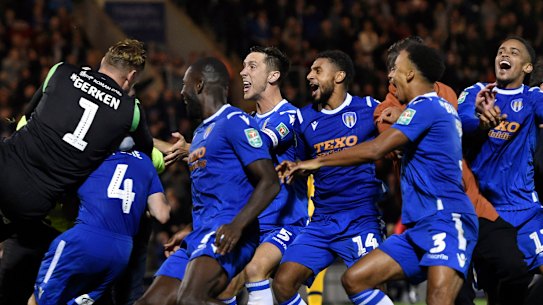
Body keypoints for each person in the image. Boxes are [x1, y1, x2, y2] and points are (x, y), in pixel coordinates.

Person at [279, 44, 478, 305]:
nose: (390, 75)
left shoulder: (429, 106)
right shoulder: (422, 109)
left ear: (410, 74)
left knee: (438, 300)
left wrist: (316, 163)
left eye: (396, 68)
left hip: (445, 219)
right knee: (355, 279)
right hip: (418, 227)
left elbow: (376, 149)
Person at [377, 36, 532, 305]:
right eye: (393, 66)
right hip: (435, 218)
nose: (394, 73)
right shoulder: (386, 110)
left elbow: (463, 124)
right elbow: (397, 144)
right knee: (456, 299)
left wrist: (481, 121)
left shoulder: (446, 91)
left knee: (514, 269)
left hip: (474, 204)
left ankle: (486, 277)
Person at [134, 57, 280, 305]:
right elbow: (216, 192)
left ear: (199, 84)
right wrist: (190, 230)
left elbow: (270, 181)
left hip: (227, 232)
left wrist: (237, 225)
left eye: (185, 84)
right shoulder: (202, 132)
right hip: (200, 234)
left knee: (191, 300)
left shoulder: (235, 121)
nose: (181, 91)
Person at [272, 50, 386, 305]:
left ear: (339, 76)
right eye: (310, 71)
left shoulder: (369, 108)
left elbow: (395, 139)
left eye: (317, 70)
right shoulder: (303, 118)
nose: (309, 76)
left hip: (361, 217)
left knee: (373, 282)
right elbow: (302, 164)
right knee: (283, 283)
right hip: (322, 221)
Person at [0, 38, 153, 228]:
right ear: (131, 76)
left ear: (103, 59)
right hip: (32, 202)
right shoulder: (132, 111)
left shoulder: (61, 71)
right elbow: (145, 155)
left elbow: (28, 115)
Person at [217, 46, 308, 305]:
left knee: (255, 269)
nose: (243, 72)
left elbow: (259, 145)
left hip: (286, 223)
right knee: (223, 287)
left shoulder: (290, 116)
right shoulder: (247, 122)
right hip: (252, 225)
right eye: (243, 66)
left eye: (252, 66)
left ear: (273, 76)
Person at [28, 140, 170, 305]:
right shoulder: (146, 162)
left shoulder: (91, 156)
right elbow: (162, 214)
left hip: (84, 238)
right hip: (121, 252)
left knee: (38, 300)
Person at [459, 36, 543, 302]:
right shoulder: (477, 92)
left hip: (524, 208)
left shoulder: (531, 98)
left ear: (527, 68)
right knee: (499, 290)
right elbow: (461, 125)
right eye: (500, 51)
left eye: (514, 52)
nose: (504, 54)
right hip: (486, 214)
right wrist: (480, 121)